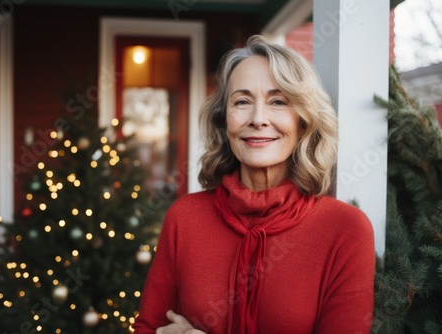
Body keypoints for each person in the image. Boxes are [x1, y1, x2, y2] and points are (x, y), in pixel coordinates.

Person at [133, 35, 375, 334]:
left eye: (278, 101)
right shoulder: (184, 217)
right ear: (224, 120)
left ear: (304, 121)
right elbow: (148, 328)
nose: (258, 119)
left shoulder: (346, 229)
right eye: (243, 101)